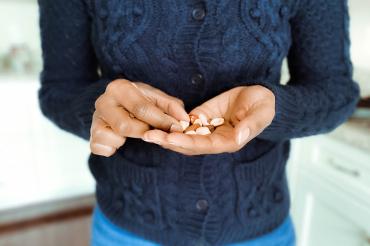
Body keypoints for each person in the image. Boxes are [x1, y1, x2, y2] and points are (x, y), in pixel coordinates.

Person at [37, 0, 360, 245]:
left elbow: (336, 91)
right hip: (129, 226)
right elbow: (59, 90)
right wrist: (99, 107)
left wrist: (277, 108)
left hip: (258, 225)